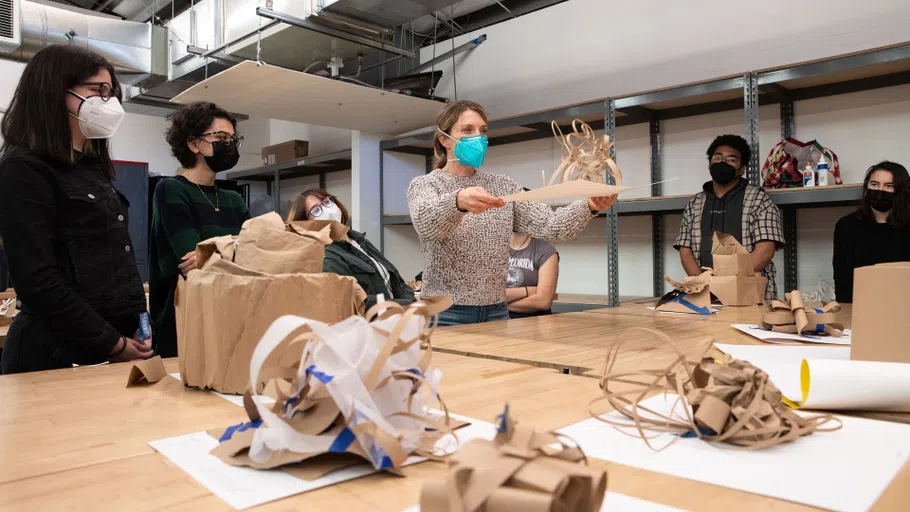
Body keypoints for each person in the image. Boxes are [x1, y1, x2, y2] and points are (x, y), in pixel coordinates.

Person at [0, 45, 152, 373]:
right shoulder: (24, 167)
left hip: (114, 347)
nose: (108, 102)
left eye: (112, 93)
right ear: (55, 90)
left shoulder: (91, 166)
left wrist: (142, 328)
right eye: (98, 90)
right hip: (55, 353)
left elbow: (119, 261)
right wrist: (113, 342)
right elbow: (37, 280)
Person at [407, 100, 615, 326]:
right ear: (444, 139)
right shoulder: (425, 185)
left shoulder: (503, 185)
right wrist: (458, 201)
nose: (478, 138)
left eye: (483, 131)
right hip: (445, 314)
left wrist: (590, 206)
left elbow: (552, 226)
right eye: (467, 130)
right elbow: (427, 225)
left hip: (497, 312)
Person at [149, 102, 250, 358]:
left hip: (232, 312)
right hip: (183, 317)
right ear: (194, 144)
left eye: (233, 139)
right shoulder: (171, 189)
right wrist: (235, 248)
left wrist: (213, 252)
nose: (229, 144)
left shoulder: (234, 198)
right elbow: (189, 259)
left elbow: (257, 255)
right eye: (221, 137)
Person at [674, 134, 785, 300]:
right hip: (704, 295)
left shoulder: (759, 200)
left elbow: (765, 251)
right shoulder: (694, 204)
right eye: (717, 157)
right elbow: (685, 252)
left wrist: (728, 285)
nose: (722, 162)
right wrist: (704, 284)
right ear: (709, 164)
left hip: (750, 294)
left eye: (731, 159)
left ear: (741, 169)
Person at [287, 188, 415, 310]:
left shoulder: (359, 240)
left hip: (402, 316)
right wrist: (407, 306)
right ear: (306, 224)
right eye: (315, 210)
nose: (327, 209)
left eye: (327, 201)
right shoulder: (327, 257)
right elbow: (356, 304)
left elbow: (397, 281)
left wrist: (412, 304)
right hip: (377, 324)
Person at [833, 161, 910, 302]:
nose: (880, 190)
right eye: (874, 184)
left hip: (904, 308)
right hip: (860, 309)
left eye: (889, 186)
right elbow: (842, 280)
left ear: (901, 190)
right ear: (866, 186)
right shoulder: (846, 226)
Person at [506, 233, 559, 318]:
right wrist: (528, 291)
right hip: (496, 321)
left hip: (533, 322)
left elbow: (543, 302)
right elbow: (486, 295)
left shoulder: (545, 250)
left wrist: (495, 307)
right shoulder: (492, 247)